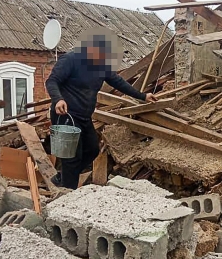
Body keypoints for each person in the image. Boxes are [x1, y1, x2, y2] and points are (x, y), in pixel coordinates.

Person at [46, 30, 155, 189]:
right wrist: (58, 99)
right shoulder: (70, 59)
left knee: (92, 150)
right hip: (66, 115)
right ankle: (68, 196)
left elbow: (118, 82)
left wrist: (143, 96)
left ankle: (64, 176)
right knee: (72, 157)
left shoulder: (101, 65)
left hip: (84, 116)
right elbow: (52, 81)